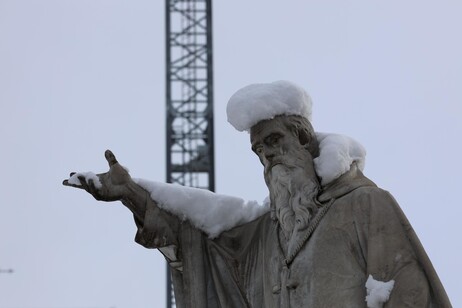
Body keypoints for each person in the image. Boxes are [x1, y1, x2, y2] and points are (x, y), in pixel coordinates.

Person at [64, 81, 451, 307]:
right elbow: (200, 237)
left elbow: (407, 294)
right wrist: (133, 193)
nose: (266, 153)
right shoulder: (265, 235)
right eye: (258, 149)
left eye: (274, 140)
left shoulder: (363, 205)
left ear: (303, 140)